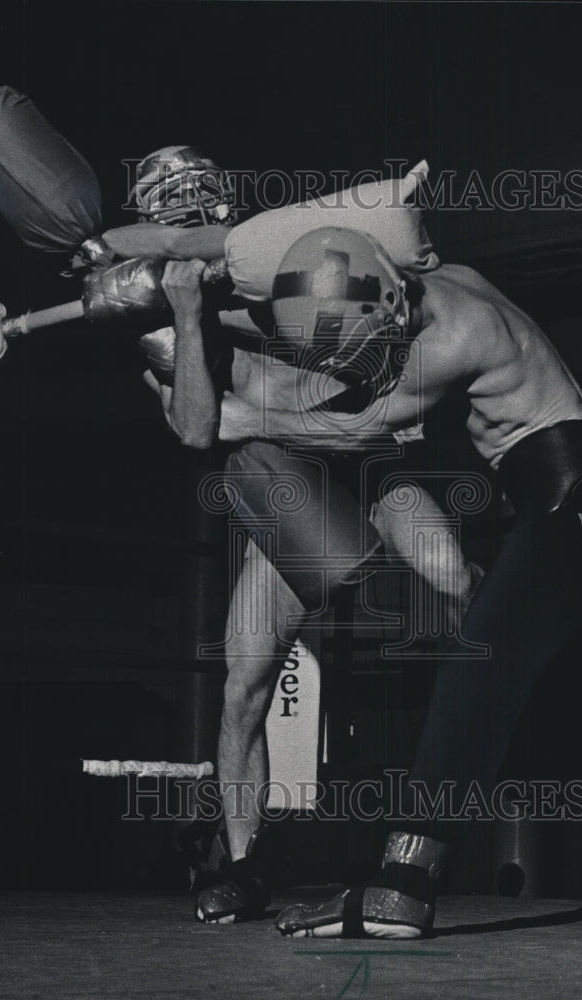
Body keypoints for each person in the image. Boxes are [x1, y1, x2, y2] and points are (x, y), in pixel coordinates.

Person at [204, 224, 582, 938]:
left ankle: (401, 885)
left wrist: (234, 416)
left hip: (573, 503)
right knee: (570, 699)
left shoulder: (455, 335)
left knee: (476, 674)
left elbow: (356, 430)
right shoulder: (445, 277)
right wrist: (177, 296)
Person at [118, 154, 480, 924]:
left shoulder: (273, 256)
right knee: (243, 682)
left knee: (453, 583)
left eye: (201, 198)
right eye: (173, 207)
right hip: (293, 488)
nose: (194, 212)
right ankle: (242, 865)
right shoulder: (164, 320)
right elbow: (192, 430)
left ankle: (452, 808)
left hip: (375, 464)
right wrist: (186, 317)